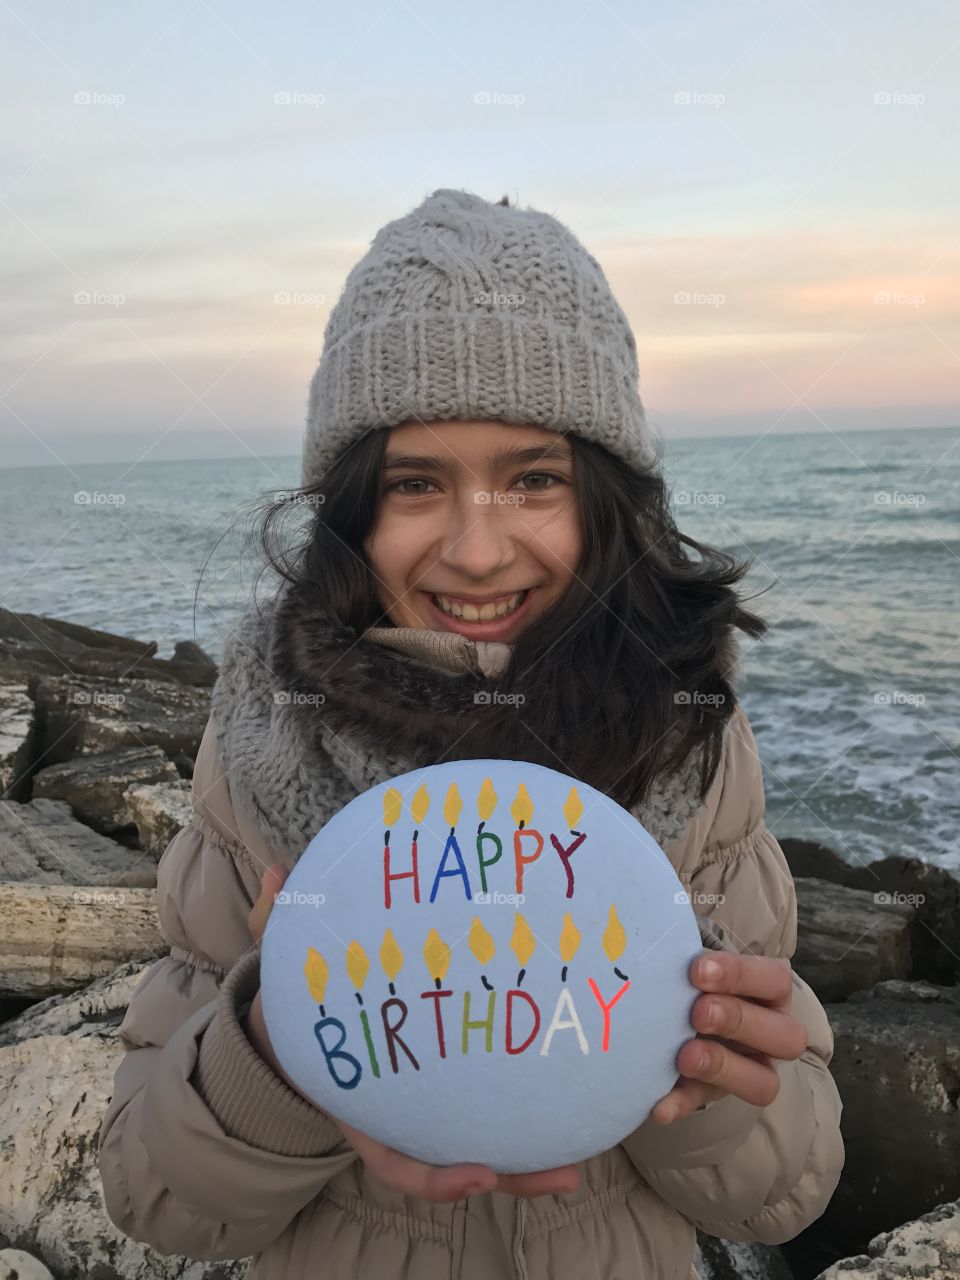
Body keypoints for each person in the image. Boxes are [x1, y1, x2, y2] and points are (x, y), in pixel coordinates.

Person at [98, 188, 844, 1280]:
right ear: (355, 510)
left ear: (603, 498)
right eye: (416, 483)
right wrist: (279, 1058)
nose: (478, 551)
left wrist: (699, 1088)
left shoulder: (686, 739)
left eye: (534, 477)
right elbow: (154, 1192)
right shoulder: (265, 743)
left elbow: (786, 1187)